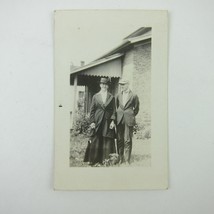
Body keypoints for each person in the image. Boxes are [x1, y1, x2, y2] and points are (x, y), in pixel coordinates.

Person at [84, 77, 116, 166]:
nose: (104, 86)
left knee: (107, 139)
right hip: (97, 121)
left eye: (106, 85)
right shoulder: (95, 96)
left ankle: (106, 160)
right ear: (100, 85)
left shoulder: (111, 97)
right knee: (96, 139)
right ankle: (94, 160)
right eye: (102, 84)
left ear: (108, 86)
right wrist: (92, 122)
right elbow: (92, 110)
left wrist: (113, 121)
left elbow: (114, 110)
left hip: (107, 121)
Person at [115, 79, 140, 164]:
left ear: (128, 84)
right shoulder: (118, 95)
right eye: (121, 85)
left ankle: (127, 160)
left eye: (123, 84)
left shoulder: (134, 95)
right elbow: (116, 107)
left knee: (127, 140)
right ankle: (120, 158)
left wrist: (130, 115)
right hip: (119, 120)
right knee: (119, 139)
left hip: (128, 120)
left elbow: (136, 109)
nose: (122, 86)